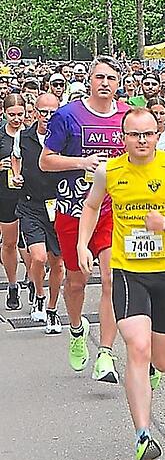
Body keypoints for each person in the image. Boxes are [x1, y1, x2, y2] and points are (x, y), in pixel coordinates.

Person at [77, 106, 165, 460]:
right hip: (127, 271)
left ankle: (147, 378)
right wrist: (83, 245)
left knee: (161, 360)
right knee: (138, 345)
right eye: (134, 134)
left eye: (148, 133)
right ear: (123, 137)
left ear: (157, 133)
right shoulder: (109, 171)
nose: (142, 140)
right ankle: (143, 435)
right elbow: (91, 207)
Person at [40, 56, 128, 384]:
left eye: (111, 79)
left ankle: (105, 353)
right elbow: (46, 161)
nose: (105, 83)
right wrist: (82, 161)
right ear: (89, 80)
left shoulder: (125, 116)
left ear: (119, 84)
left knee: (109, 278)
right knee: (75, 281)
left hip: (112, 210)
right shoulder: (67, 116)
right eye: (99, 77)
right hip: (72, 209)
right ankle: (77, 329)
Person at [17, 93, 65, 333]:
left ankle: (53, 310)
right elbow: (15, 158)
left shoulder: (65, 136)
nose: (47, 117)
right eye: (42, 112)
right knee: (38, 257)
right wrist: (16, 175)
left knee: (58, 263)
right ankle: (38, 293)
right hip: (31, 204)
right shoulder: (23, 136)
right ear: (34, 112)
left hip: (59, 205)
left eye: (52, 112)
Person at [1, 94, 25, 310]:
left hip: (30, 195)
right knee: (10, 243)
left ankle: (35, 283)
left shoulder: (31, 135)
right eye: (12, 115)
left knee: (34, 248)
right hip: (5, 195)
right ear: (4, 112)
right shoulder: (1, 135)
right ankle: (12, 285)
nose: (16, 119)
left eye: (20, 114)